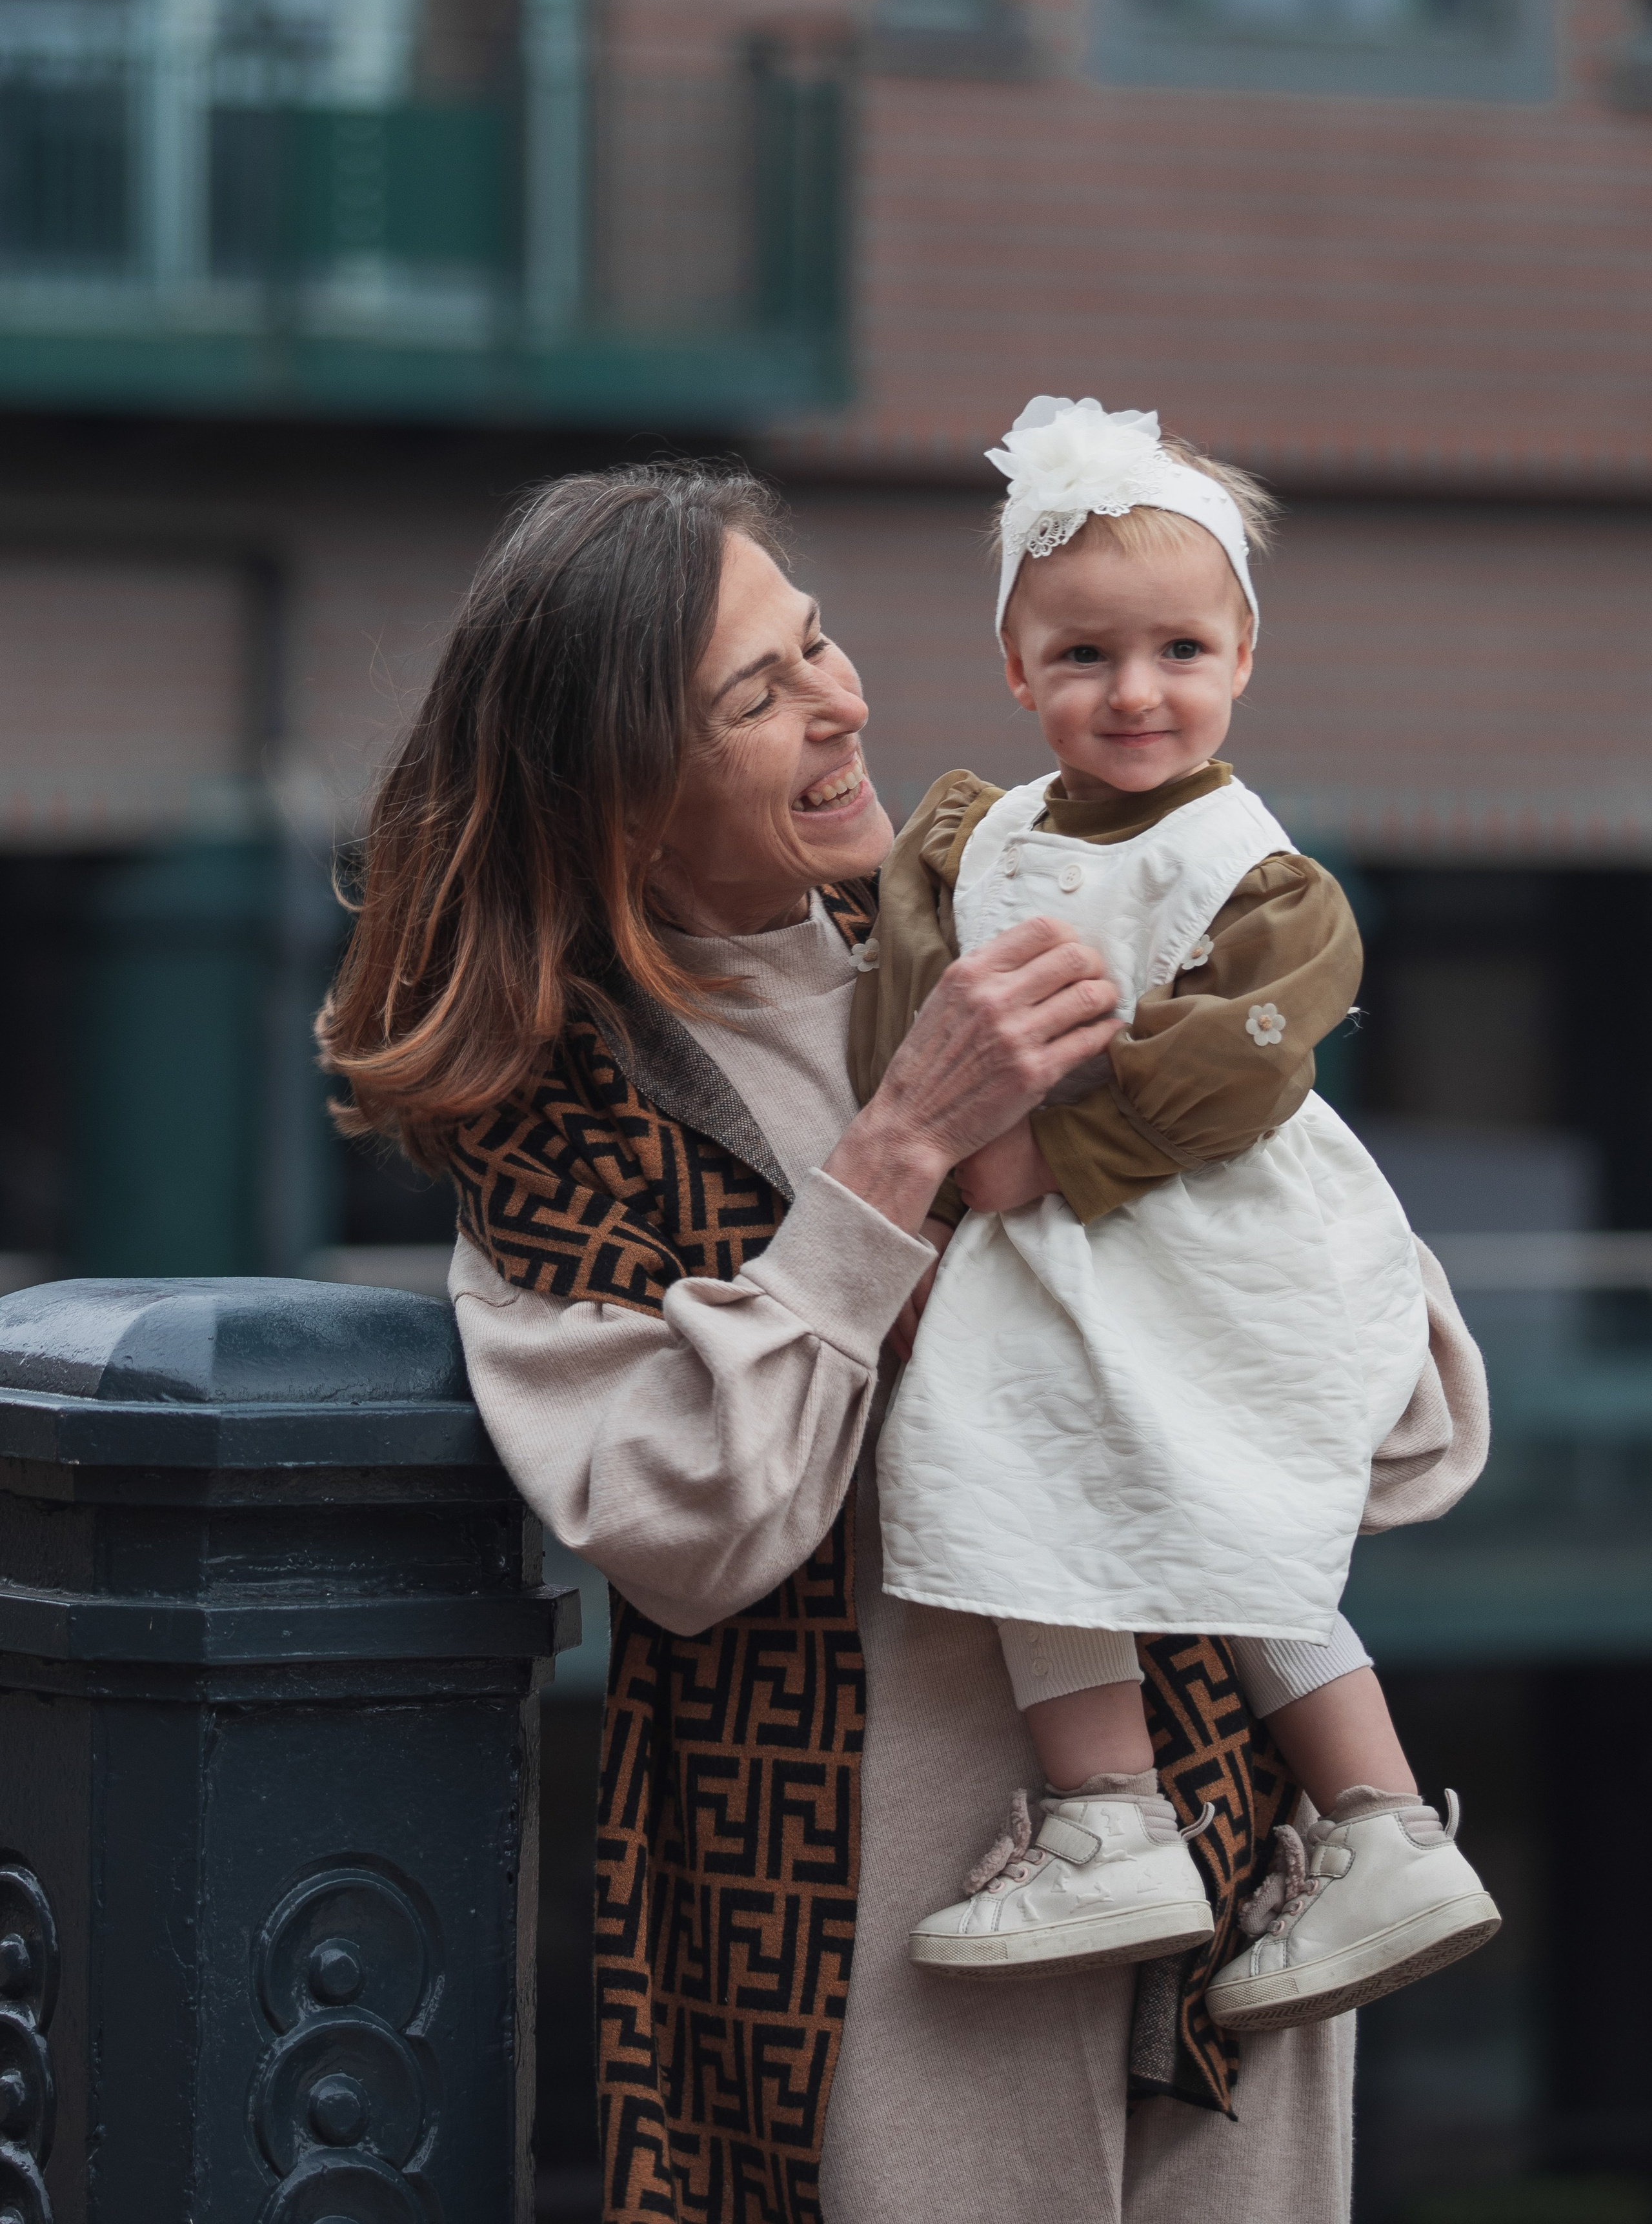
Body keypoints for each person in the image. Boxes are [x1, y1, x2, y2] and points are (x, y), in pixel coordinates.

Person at [319, 460, 1489, 2224]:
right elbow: (698, 1530)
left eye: (820, 641)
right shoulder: (557, 1117)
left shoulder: (1022, 917)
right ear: (624, 797)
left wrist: (1179, 1214)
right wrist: (894, 1164)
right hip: (875, 1939)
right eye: (758, 690)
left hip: (1238, 1892)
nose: (843, 699)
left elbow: (1409, 1437)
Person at [852, 395, 1498, 2028]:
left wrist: (1028, 1158)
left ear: (1239, 661)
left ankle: (1374, 1826)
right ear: (1014, 670)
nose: (1131, 692)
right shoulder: (970, 838)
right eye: (1080, 657)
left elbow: (1240, 1068)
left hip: (1205, 1227)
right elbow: (909, 1004)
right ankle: (1108, 1814)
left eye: (1176, 652)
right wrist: (966, 1133)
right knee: (1022, 1465)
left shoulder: (1256, 870)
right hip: (1053, 1255)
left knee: (1229, 1500)